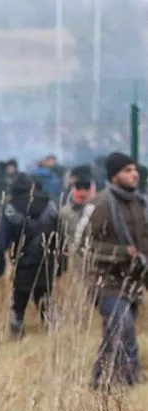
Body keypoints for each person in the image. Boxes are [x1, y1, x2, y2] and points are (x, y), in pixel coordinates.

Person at [82, 153, 148, 389]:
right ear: (114, 175)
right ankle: (130, 384)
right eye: (128, 170)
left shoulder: (142, 204)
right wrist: (121, 253)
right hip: (105, 281)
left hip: (133, 281)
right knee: (123, 326)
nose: (134, 174)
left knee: (114, 334)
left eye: (135, 169)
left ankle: (100, 383)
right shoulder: (99, 203)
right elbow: (83, 243)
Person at [0, 174, 62, 336]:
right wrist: (62, 264)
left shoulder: (11, 208)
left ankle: (17, 334)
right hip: (47, 262)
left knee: (19, 301)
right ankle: (54, 333)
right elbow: (61, 238)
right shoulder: (51, 205)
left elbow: (3, 239)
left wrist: (1, 261)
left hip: (23, 262)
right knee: (46, 298)